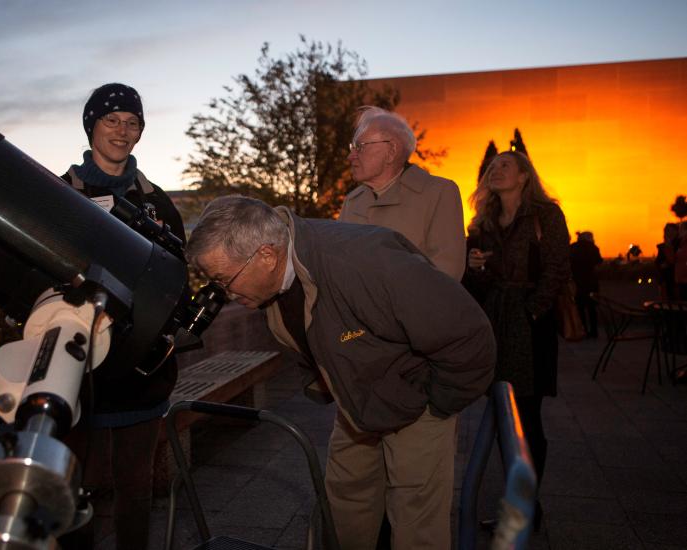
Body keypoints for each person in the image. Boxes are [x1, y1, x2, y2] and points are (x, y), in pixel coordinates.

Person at [186, 195, 495, 550]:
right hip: (356, 404)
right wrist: (329, 382)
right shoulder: (273, 278)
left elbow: (469, 334)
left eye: (225, 280)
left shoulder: (364, 261)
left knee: (415, 524)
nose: (224, 294)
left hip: (417, 402)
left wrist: (436, 403)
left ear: (266, 256)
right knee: (342, 509)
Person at [59, 82, 186, 549]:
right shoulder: (61, 193)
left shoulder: (157, 203)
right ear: (92, 125)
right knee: (78, 487)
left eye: (132, 122)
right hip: (80, 371)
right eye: (111, 120)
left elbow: (178, 276)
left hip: (140, 370)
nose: (122, 130)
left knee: (136, 487)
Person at [462, 151, 570, 530]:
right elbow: (477, 282)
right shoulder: (484, 222)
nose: (495, 169)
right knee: (500, 414)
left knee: (526, 418)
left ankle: (525, 508)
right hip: (494, 322)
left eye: (505, 165)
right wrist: (474, 267)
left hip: (529, 327)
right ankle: (519, 505)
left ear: (525, 177)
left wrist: (531, 311)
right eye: (492, 166)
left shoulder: (546, 216)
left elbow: (558, 269)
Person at [339, 106, 466, 281]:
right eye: (352, 147)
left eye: (360, 147)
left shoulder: (439, 193)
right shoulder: (352, 202)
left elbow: (446, 273)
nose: (350, 157)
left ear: (391, 151)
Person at [570, 231, 602, 338]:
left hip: (578, 282)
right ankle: (593, 331)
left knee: (580, 308)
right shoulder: (593, 248)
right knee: (591, 308)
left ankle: (582, 330)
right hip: (591, 282)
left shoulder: (573, 248)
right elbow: (598, 262)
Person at [656, 222, 679, 300]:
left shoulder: (679, 246)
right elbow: (658, 263)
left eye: (671, 231)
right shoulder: (663, 247)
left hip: (675, 281)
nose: (669, 233)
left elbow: (673, 261)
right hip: (664, 281)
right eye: (667, 231)